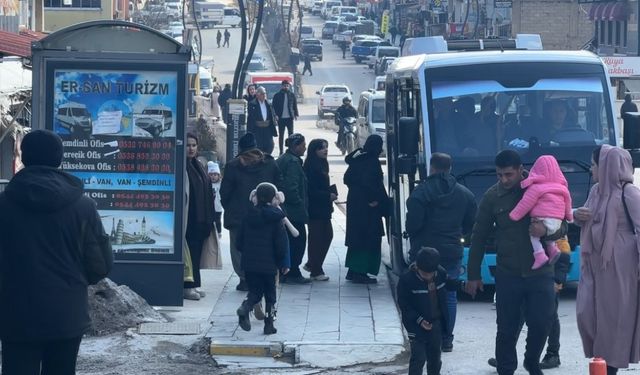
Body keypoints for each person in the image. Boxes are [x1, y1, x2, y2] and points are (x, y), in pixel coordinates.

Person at [0, 130, 113, 374]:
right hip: (66, 314)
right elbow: (100, 265)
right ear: (59, 159)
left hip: (14, 313)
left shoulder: (4, 204)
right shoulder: (83, 206)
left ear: (24, 157)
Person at [465, 149, 566, 375]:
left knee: (542, 323)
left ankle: (531, 361)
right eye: (499, 175)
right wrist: (473, 275)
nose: (504, 180)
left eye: (509, 175)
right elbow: (478, 236)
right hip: (508, 273)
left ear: (521, 171)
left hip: (540, 273)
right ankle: (506, 370)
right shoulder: (492, 196)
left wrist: (546, 232)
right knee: (507, 330)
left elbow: (563, 224)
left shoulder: (539, 188)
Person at [575, 145, 640, 375]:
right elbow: (591, 216)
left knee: (614, 319)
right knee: (588, 314)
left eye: (594, 165)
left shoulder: (629, 193)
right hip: (595, 264)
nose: (592, 169)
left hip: (621, 267)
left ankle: (606, 368)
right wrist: (576, 215)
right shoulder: (596, 191)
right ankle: (603, 363)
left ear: (606, 167)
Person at [405, 152, 477, 352]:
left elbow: (412, 225)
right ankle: (446, 338)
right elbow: (471, 223)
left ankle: (425, 336)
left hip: (424, 253)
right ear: (450, 168)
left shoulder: (420, 193)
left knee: (422, 292)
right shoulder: (465, 193)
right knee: (449, 294)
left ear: (432, 168)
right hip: (452, 251)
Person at [220, 132, 282, 292]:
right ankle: (260, 277)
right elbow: (279, 187)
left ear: (240, 148)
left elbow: (224, 193)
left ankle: (244, 278)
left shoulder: (233, 166)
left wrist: (230, 208)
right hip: (266, 215)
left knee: (238, 247)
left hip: (238, 216)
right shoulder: (270, 164)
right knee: (262, 246)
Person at [235, 183, 289, 335]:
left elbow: (238, 242)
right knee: (270, 295)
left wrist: (247, 253)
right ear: (273, 198)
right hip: (269, 264)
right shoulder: (276, 218)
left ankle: (245, 307)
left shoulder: (247, 216)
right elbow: (281, 244)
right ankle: (269, 324)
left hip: (250, 263)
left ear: (256, 197)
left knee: (255, 292)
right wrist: (281, 262)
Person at [508, 155, 572, 269]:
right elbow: (568, 205)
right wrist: (569, 216)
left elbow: (525, 204)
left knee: (533, 234)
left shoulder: (536, 188)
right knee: (549, 236)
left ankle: (539, 255)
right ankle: (552, 250)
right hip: (557, 220)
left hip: (541, 217)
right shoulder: (563, 188)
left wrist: (514, 215)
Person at [344, 134, 388, 284]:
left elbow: (348, 179)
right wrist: (374, 200)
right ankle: (360, 271)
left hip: (355, 204)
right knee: (367, 238)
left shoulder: (358, 159)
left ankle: (354, 270)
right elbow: (369, 182)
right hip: (367, 208)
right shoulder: (370, 161)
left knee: (357, 238)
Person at [397, 247, 449, 375]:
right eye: (424, 273)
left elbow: (449, 285)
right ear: (417, 267)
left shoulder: (440, 273)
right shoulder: (407, 280)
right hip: (415, 325)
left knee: (435, 357)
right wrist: (419, 320)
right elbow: (404, 305)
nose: (428, 276)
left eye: (431, 273)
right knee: (419, 358)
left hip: (435, 322)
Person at [276, 133, 311, 284]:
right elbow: (291, 188)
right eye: (303, 145)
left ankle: (287, 270)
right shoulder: (292, 162)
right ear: (295, 146)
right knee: (298, 240)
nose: (305, 148)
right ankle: (293, 271)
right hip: (293, 211)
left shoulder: (285, 159)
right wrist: (299, 203)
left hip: (286, 209)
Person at [184, 133, 215, 300]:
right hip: (189, 219)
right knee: (189, 254)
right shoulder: (182, 166)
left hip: (202, 219)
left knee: (196, 254)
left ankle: (194, 284)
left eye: (194, 145)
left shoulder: (199, 164)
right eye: (188, 145)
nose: (191, 148)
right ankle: (187, 287)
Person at [303, 139, 337, 281]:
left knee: (327, 235)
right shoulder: (310, 166)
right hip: (315, 208)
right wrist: (327, 195)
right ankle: (316, 270)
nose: (325, 150)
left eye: (326, 147)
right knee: (317, 238)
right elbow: (310, 190)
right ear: (314, 150)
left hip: (324, 207)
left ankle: (313, 264)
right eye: (321, 148)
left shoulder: (323, 164)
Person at [247, 86, 278, 155]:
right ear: (257, 95)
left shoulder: (268, 103)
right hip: (258, 129)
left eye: (265, 93)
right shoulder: (252, 104)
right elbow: (250, 118)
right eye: (262, 94)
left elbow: (272, 113)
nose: (264, 95)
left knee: (270, 145)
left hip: (267, 129)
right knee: (258, 146)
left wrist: (275, 117)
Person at [272, 80, 299, 155]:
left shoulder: (291, 95)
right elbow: (273, 106)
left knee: (291, 135)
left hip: (289, 118)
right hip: (281, 118)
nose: (286, 87)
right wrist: (275, 115)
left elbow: (294, 105)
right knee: (281, 135)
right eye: (284, 85)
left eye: (287, 86)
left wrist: (296, 114)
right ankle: (281, 151)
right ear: (282, 86)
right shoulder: (277, 95)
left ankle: (291, 150)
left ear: (289, 86)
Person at [207, 161, 223, 238]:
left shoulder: (220, 184)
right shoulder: (207, 184)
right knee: (209, 220)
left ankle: (219, 232)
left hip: (218, 206)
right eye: (211, 174)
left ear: (218, 175)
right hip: (209, 206)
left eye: (215, 174)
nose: (213, 176)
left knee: (217, 220)